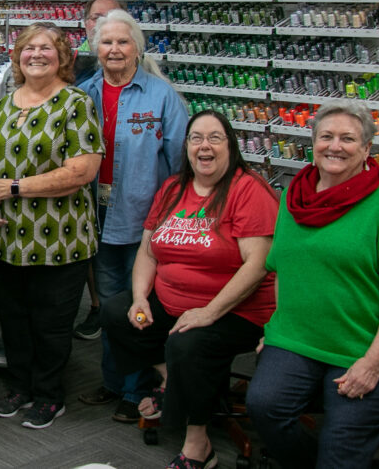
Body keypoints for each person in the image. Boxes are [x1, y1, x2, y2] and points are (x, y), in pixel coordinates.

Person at [247, 100, 379, 469]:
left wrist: (373, 363)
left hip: (368, 345)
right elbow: (283, 269)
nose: (335, 146)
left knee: (340, 445)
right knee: (263, 406)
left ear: (366, 150)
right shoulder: (295, 198)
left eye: (348, 139)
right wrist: (276, 327)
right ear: (313, 142)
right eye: (326, 136)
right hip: (300, 337)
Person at [101, 110, 278, 469]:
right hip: (175, 302)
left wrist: (209, 312)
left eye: (215, 138)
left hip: (237, 310)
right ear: (186, 146)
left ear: (231, 145)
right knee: (115, 313)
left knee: (188, 342)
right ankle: (174, 381)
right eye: (196, 138)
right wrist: (138, 299)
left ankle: (199, 446)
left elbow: (257, 265)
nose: (204, 146)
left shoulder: (247, 189)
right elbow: (148, 251)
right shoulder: (173, 188)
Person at [0, 23, 103, 430]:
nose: (36, 54)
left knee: (51, 325)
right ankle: (19, 387)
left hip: (60, 238)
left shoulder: (76, 103)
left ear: (63, 57)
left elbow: (82, 171)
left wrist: (15, 188)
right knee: (13, 319)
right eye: (28, 48)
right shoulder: (3, 104)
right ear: (16, 57)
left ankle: (50, 395)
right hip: (8, 237)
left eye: (46, 48)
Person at [77, 8, 188, 423]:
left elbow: (180, 165)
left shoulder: (162, 96)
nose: (115, 49)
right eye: (107, 42)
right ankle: (113, 381)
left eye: (124, 42)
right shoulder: (84, 94)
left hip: (147, 222)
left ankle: (137, 388)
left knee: (140, 303)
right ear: (96, 49)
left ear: (138, 49)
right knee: (109, 305)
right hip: (97, 219)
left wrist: (169, 217)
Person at [73, 0, 125, 339]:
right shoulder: (78, 72)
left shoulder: (146, 77)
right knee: (98, 255)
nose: (102, 24)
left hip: (128, 187)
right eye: (96, 18)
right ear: (86, 24)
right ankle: (98, 309)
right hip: (88, 183)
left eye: (110, 18)